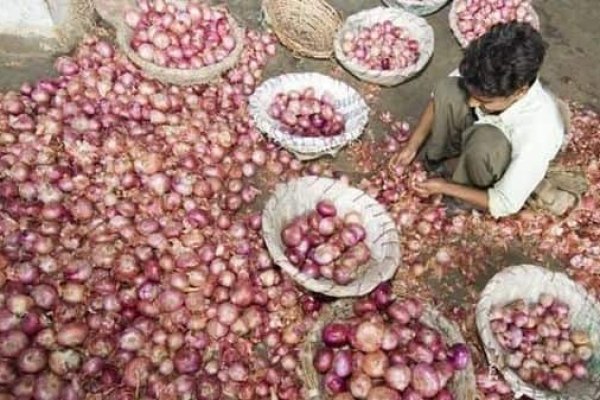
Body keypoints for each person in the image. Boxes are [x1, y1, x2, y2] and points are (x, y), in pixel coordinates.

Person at [392, 21, 573, 218]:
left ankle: (463, 196)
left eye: (484, 99)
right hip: (488, 124)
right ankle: (439, 160)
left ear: (519, 92)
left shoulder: (538, 131)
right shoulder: (484, 67)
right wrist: (412, 146)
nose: (470, 103)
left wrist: (445, 187)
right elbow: (440, 96)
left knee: (486, 143)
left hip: (496, 149)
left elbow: (505, 204)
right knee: (450, 89)